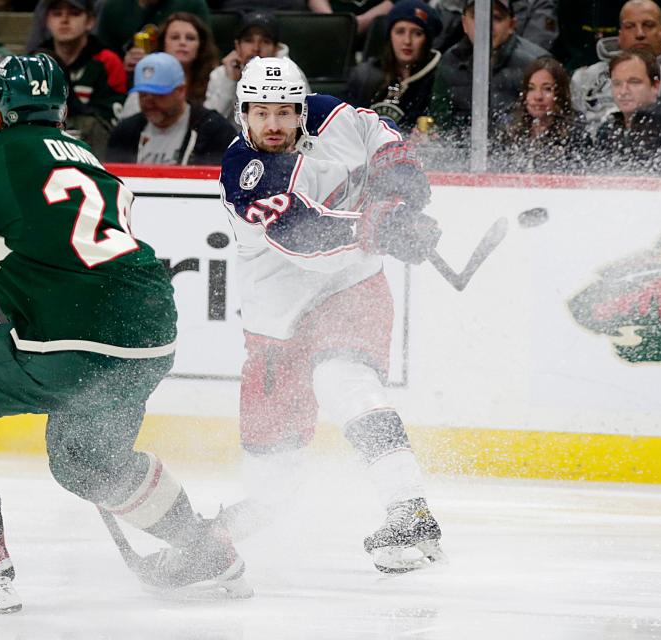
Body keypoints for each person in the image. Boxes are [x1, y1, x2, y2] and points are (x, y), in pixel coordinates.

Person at [0, 53, 252, 616]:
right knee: (84, 462)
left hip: (69, 342)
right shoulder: (92, 161)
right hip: (150, 336)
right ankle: (205, 549)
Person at [217, 56, 445, 574]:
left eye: (283, 112)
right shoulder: (245, 171)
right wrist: (379, 227)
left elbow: (384, 139)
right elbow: (300, 233)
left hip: (351, 287)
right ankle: (219, 539)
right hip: (276, 319)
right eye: (259, 113)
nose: (272, 124)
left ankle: (410, 512)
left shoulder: (334, 117)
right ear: (242, 113)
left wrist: (401, 196)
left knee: (345, 378)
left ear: (301, 110)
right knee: (272, 475)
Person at [571, 0, 661, 134]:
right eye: (630, 26)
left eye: (648, 25)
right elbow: (569, 128)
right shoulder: (586, 76)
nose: (639, 34)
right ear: (620, 35)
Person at [429, 0, 550, 138]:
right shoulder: (450, 61)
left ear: (511, 25)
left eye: (496, 18)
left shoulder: (536, 63)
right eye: (478, 17)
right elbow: (439, 122)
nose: (486, 26)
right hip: (460, 155)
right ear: (464, 24)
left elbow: (558, 121)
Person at [32, 0, 127, 158]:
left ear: (90, 21)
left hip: (91, 150)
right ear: (47, 20)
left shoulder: (107, 61)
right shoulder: (34, 61)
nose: (64, 20)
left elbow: (110, 120)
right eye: (57, 14)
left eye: (74, 13)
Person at [107, 52, 236, 164]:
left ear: (180, 91)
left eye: (158, 95)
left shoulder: (214, 131)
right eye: (143, 95)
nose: (149, 101)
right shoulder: (125, 133)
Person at [345, 0, 443, 131]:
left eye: (417, 33)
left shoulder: (438, 79)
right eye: (400, 32)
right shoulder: (365, 76)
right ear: (389, 36)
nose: (407, 41)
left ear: (427, 40)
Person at [593, 48, 661, 174]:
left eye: (634, 82)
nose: (623, 91)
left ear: (655, 86)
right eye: (617, 83)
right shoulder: (607, 130)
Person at [492, 57, 591, 174]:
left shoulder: (576, 133)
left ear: (560, 94)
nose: (538, 96)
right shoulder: (509, 129)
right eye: (531, 88)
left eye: (547, 89)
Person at [204, 10, 303, 127]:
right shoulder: (221, 75)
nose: (256, 48)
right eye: (249, 41)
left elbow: (303, 121)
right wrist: (230, 81)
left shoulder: (292, 75)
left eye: (265, 41)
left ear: (276, 48)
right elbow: (208, 124)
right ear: (237, 45)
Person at [120, 12, 219, 119]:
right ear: (163, 43)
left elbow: (215, 122)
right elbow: (128, 122)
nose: (182, 42)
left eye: (190, 38)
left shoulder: (216, 78)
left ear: (201, 46)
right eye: (175, 37)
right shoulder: (147, 74)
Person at [96, 0, 210, 67]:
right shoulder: (113, 6)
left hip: (183, 79)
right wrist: (122, 65)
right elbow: (102, 58)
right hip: (126, 81)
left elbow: (206, 53)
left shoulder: (192, 4)